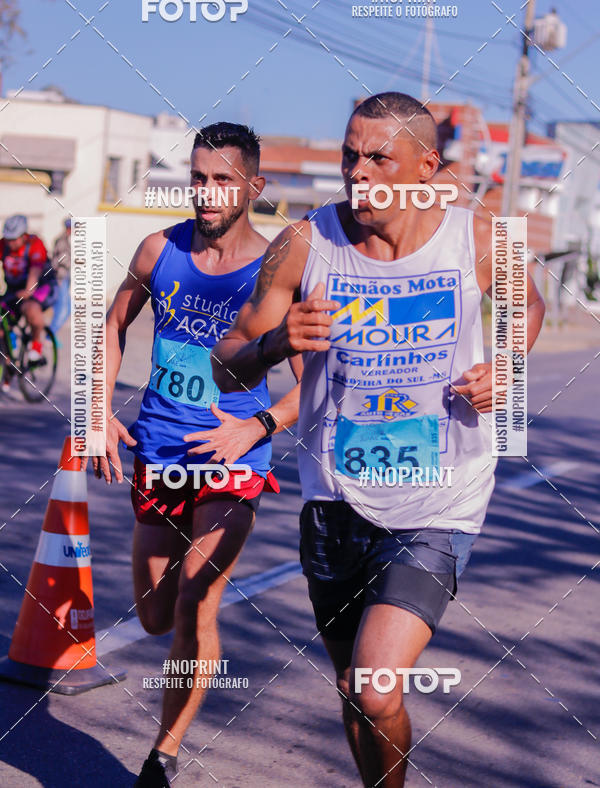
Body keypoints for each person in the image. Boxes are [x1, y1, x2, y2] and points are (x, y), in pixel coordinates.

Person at [212, 92, 545, 786]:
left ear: (426, 166)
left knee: (374, 686)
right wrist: (277, 342)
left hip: (438, 500)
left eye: (378, 157)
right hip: (334, 499)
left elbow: (528, 303)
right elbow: (226, 356)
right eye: (349, 155)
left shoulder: (475, 234)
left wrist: (507, 369)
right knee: (353, 695)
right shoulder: (307, 243)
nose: (358, 172)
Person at [92, 122, 300, 787]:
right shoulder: (158, 250)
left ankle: (164, 752)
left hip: (234, 456)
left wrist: (261, 426)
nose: (206, 195)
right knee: (154, 615)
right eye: (198, 179)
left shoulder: (276, 269)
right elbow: (113, 322)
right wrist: (95, 410)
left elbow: (320, 385)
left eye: (222, 181)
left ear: (254, 188)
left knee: (193, 601)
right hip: (160, 448)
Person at [0, 214, 55, 363]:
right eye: (8, 239)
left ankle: (36, 349)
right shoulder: (3, 245)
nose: (10, 243)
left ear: (24, 235)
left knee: (30, 308)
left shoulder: (35, 244)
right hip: (14, 288)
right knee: (3, 320)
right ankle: (8, 362)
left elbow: (34, 272)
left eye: (14, 239)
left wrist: (28, 291)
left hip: (39, 286)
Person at [50, 218, 72, 336]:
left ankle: (52, 334)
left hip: (64, 277)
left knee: (67, 308)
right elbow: (62, 260)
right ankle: (50, 335)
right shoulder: (62, 240)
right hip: (60, 278)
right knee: (62, 309)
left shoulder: (65, 240)